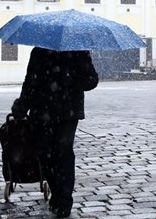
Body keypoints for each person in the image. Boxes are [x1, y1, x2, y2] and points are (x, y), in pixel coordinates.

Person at [11, 47, 99, 218]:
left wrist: (71, 79)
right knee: (46, 155)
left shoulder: (79, 52)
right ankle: (58, 196)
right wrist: (21, 106)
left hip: (67, 113)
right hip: (43, 112)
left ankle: (63, 201)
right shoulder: (39, 52)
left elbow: (92, 80)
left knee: (63, 154)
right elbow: (30, 81)